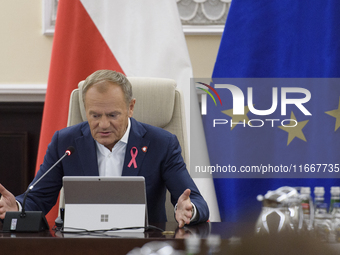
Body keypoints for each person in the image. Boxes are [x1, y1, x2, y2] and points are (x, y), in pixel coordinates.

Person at [0, 70, 209, 228]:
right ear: (85, 110)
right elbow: (37, 198)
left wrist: (189, 210)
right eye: (95, 115)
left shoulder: (161, 143)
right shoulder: (65, 143)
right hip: (81, 244)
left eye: (112, 115)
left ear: (130, 107)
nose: (103, 125)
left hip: (142, 246)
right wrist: (16, 209)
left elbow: (196, 201)